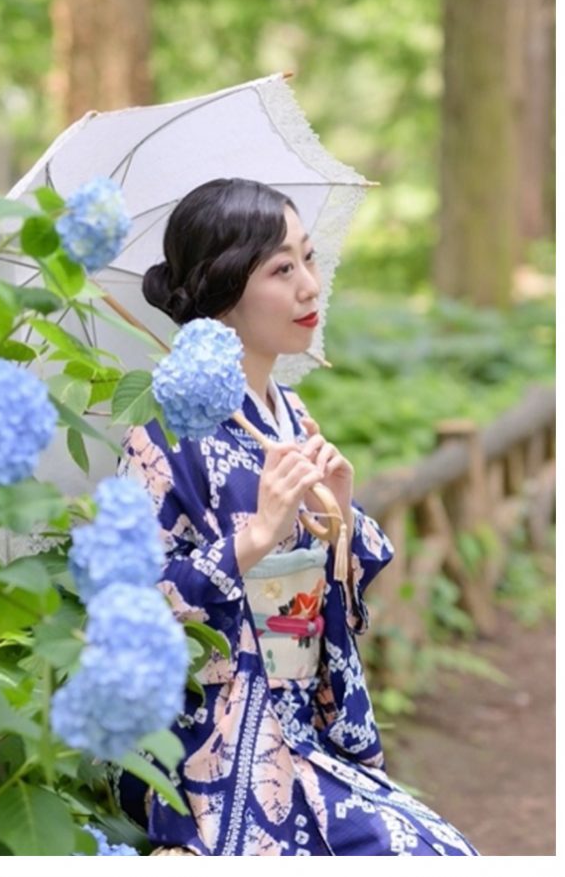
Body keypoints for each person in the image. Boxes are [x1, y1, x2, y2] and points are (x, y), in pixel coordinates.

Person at [114, 178, 478, 856]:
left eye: (307, 259)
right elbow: (130, 603)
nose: (310, 287)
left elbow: (337, 577)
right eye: (282, 270)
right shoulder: (161, 438)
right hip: (221, 742)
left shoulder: (289, 413)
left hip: (306, 719)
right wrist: (252, 539)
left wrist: (337, 514)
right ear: (224, 287)